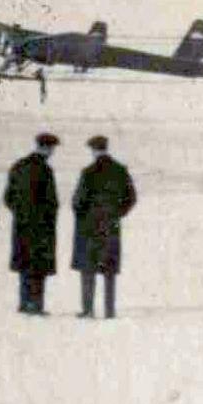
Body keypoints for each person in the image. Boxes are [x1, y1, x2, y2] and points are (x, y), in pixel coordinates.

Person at [72, 135, 136, 319]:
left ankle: (88, 309)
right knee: (109, 270)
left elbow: (78, 201)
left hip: (90, 226)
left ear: (93, 150)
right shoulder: (120, 170)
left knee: (88, 269)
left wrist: (83, 215)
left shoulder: (88, 172)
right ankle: (109, 310)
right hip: (111, 225)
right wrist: (117, 213)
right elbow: (131, 198)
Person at [4, 133, 60, 315]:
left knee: (24, 265)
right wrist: (47, 219)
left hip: (21, 225)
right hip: (41, 227)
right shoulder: (45, 170)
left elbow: (8, 198)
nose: (52, 152)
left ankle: (23, 303)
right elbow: (52, 202)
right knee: (39, 267)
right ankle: (36, 305)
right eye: (52, 149)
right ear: (47, 148)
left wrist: (20, 213)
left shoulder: (18, 166)